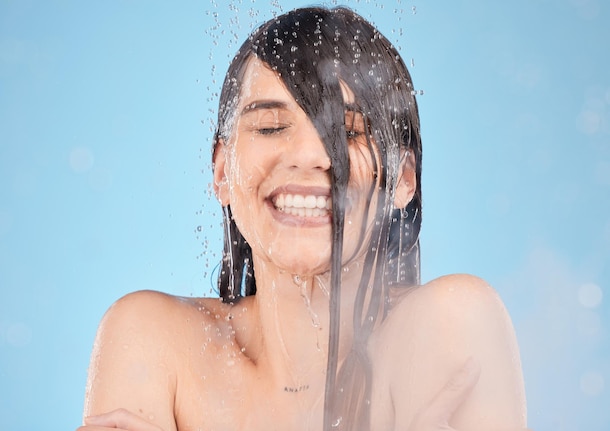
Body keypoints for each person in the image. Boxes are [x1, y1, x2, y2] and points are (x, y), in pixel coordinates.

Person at [78, 6, 527, 431]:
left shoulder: (450, 322)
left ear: (403, 179)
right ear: (221, 171)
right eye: (271, 127)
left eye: (349, 132)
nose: (311, 156)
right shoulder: (154, 339)